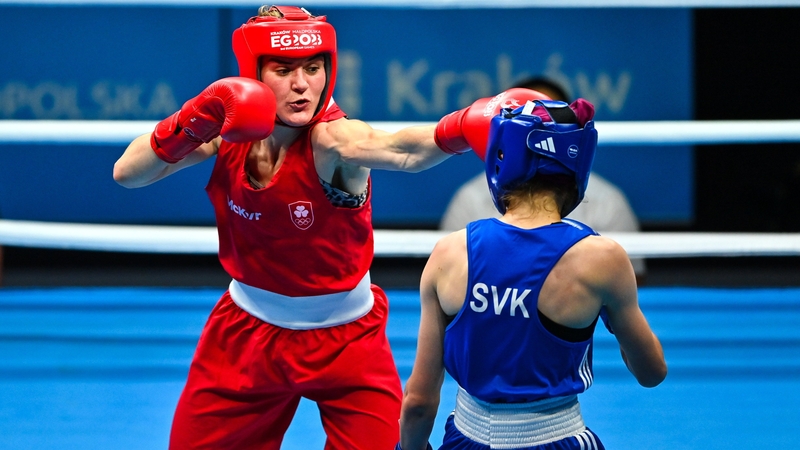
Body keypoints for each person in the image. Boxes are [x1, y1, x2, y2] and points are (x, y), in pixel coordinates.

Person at [113, 5, 549, 449]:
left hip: (347, 342)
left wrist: (463, 126)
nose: (302, 84)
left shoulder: (333, 140)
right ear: (254, 72)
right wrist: (192, 120)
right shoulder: (224, 133)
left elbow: (402, 151)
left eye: (314, 67)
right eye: (283, 69)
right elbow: (129, 173)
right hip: (245, 331)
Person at [398, 99, 666, 450]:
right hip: (558, 438)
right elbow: (651, 373)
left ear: (501, 155)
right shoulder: (602, 259)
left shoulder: (450, 253)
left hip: (464, 438)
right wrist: (612, 311)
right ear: (578, 166)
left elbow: (418, 401)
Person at [439, 76, 646, 282]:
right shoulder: (470, 198)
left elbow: (634, 284)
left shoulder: (607, 201)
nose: (542, 127)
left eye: (550, 120)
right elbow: (447, 277)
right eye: (530, 121)